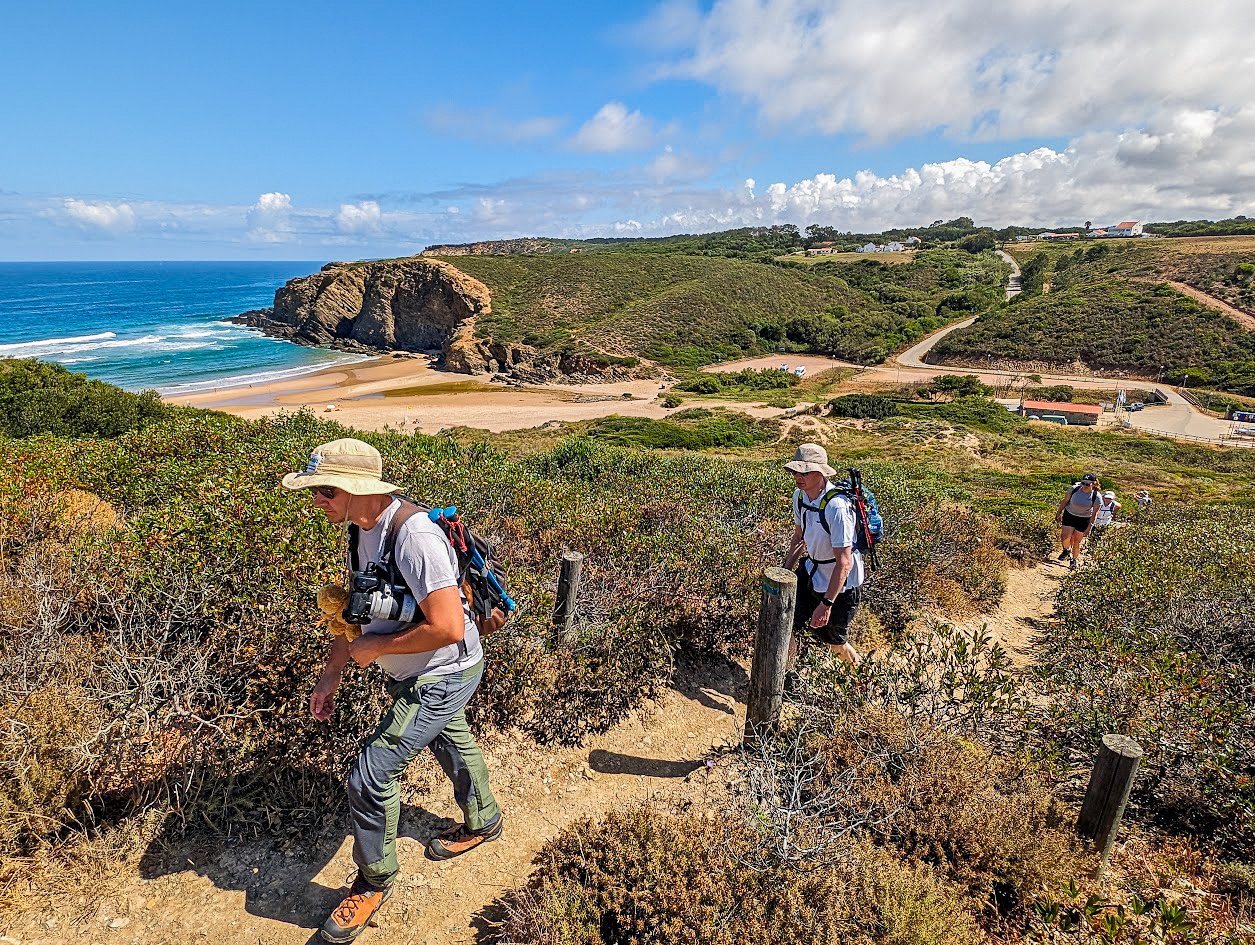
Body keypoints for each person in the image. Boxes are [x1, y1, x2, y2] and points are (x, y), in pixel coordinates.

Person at [283, 438, 502, 943]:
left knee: (370, 774)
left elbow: (447, 626)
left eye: (326, 489)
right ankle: (485, 819)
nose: (317, 498)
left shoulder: (413, 537)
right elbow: (356, 616)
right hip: (425, 670)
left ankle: (373, 881)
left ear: (361, 490)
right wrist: (332, 671)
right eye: (315, 489)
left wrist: (377, 651)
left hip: (444, 672)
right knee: (452, 740)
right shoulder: (362, 531)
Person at [782, 443, 865, 665]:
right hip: (812, 571)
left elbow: (844, 563)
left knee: (835, 641)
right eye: (796, 471)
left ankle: (862, 679)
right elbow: (799, 537)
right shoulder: (799, 497)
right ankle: (784, 674)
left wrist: (826, 604)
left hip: (841, 586)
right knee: (787, 621)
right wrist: (783, 573)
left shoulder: (837, 506)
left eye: (806, 472)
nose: (799, 477)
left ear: (821, 472)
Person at [1055, 472, 1101, 569]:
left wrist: (1090, 527)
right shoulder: (1074, 490)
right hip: (1070, 515)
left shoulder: (1097, 497)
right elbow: (1065, 501)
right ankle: (1067, 550)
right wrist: (1059, 512)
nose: (1085, 486)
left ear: (1094, 484)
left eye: (1087, 484)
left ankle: (1074, 560)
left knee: (1077, 541)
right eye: (1083, 483)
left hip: (1084, 519)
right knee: (1065, 537)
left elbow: (1094, 514)